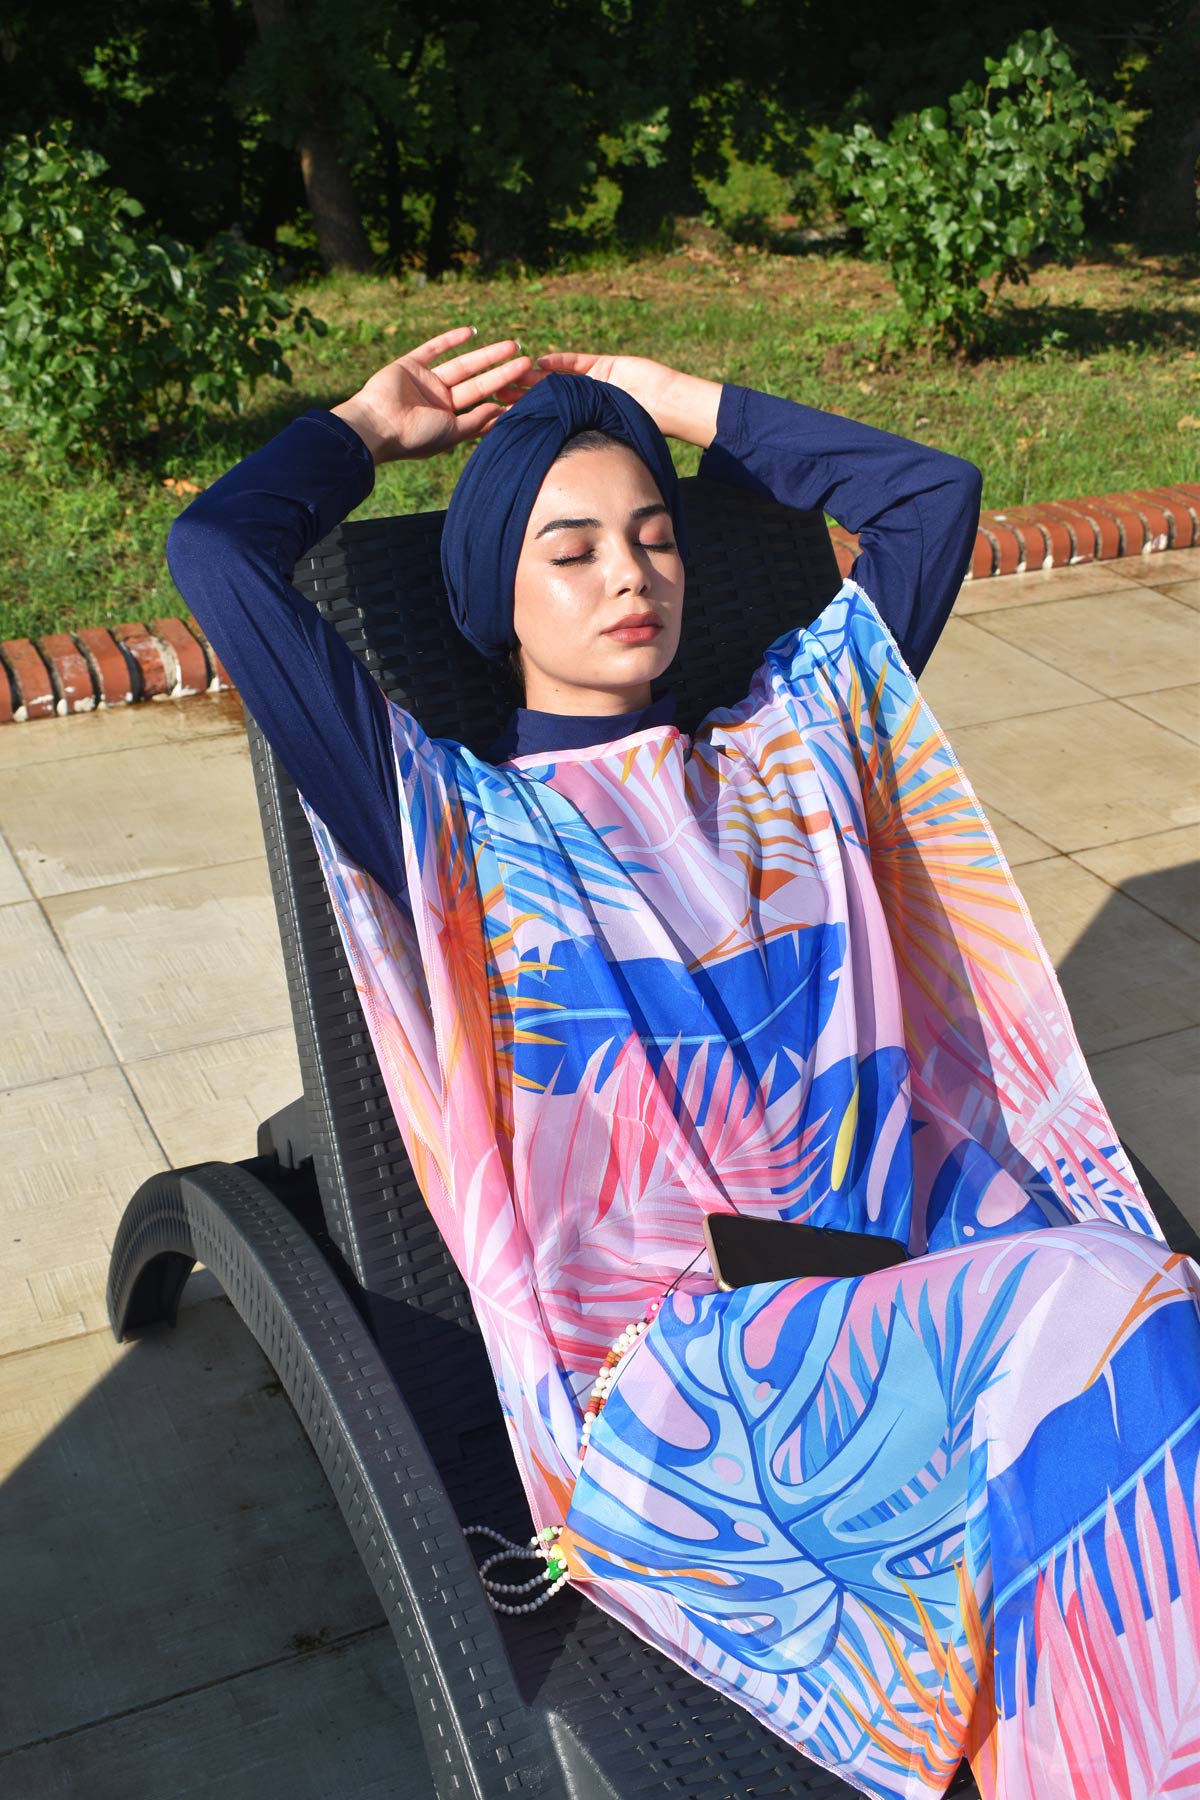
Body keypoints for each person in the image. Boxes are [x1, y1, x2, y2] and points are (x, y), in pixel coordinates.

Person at [168, 328, 1200, 1800]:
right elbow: (216, 555)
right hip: (695, 1378)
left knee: (1129, 1366)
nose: (632, 576)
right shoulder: (454, 828)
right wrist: (362, 428)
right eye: (572, 551)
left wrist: (671, 404)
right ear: (495, 599)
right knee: (1120, 1310)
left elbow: (932, 499)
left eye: (654, 538)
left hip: (916, 1270)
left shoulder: (795, 743)